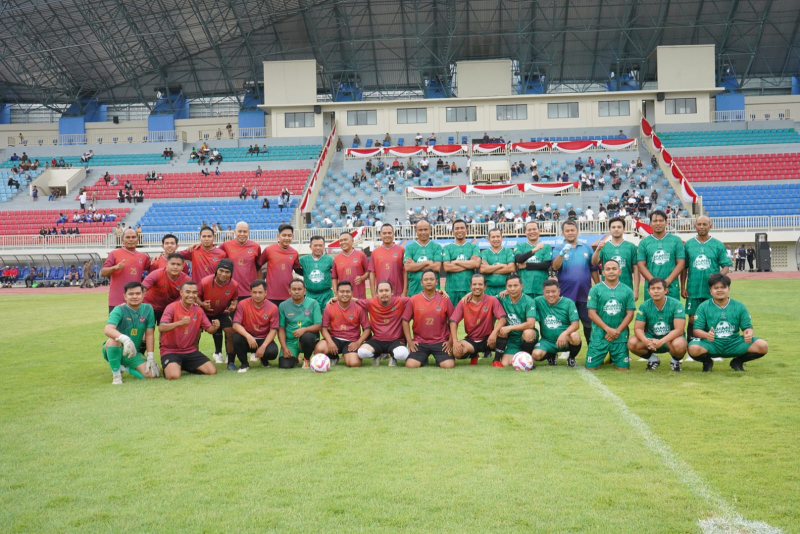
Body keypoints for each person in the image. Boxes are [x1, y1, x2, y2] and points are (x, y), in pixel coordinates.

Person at [687, 274, 769, 372]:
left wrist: (749, 333)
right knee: (693, 348)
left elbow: (747, 327)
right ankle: (707, 362)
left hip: (734, 342)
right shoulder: (703, 307)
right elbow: (696, 330)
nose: (720, 290)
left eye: (723, 287)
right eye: (716, 288)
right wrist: (706, 335)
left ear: (728, 289)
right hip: (712, 343)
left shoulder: (739, 306)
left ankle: (738, 362)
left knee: (762, 346)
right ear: (710, 291)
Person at [680, 216, 731, 339]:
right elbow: (684, 268)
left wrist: (718, 276)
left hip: (712, 289)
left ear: (710, 226)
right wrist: (683, 287)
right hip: (693, 289)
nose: (702, 227)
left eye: (705, 224)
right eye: (699, 224)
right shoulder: (688, 245)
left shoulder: (717, 244)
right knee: (692, 317)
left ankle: (713, 347)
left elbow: (726, 266)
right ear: (695, 226)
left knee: (713, 316)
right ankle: (692, 347)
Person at [552, 220, 598, 353]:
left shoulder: (587, 247)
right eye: (567, 231)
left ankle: (592, 351)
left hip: (585, 293)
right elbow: (555, 267)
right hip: (566, 294)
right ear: (563, 233)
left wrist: (598, 286)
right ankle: (565, 351)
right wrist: (562, 254)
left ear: (577, 231)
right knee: (565, 323)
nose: (570, 233)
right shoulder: (558, 249)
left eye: (572, 230)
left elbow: (593, 268)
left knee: (588, 323)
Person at [158, 282, 220, 380]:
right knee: (174, 376)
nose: (191, 295)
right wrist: (179, 323)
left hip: (190, 350)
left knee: (212, 371)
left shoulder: (198, 310)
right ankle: (172, 366)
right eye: (188, 292)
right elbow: (161, 327)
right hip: (170, 350)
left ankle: (182, 365)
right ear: (181, 293)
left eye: (194, 292)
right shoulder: (171, 307)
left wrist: (215, 327)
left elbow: (209, 329)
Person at [103, 282, 160, 385]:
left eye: (138, 294)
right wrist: (124, 339)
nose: (134, 296)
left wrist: (150, 356)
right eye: (131, 294)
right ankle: (116, 376)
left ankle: (123, 368)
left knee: (152, 374)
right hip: (115, 349)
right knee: (113, 341)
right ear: (125, 296)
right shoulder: (119, 309)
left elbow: (149, 334)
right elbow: (108, 329)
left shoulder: (148, 309)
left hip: (133, 353)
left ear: (143, 295)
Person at [586, 259, 636, 371]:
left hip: (620, 336)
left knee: (623, 369)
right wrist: (608, 329)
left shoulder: (627, 290)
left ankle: (613, 356)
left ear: (620, 271)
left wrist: (616, 331)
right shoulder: (595, 289)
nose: (611, 271)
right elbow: (591, 313)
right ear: (603, 272)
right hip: (599, 336)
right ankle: (605, 355)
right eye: (608, 269)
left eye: (614, 269)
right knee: (591, 368)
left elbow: (630, 314)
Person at [628, 277, 687, 372]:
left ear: (666, 290)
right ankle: (653, 359)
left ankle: (675, 361)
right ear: (648, 291)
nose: (656, 291)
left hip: (670, 340)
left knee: (679, 344)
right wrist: (646, 341)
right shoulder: (644, 306)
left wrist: (661, 342)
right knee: (632, 342)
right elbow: (638, 328)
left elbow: (679, 330)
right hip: (651, 339)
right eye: (653, 288)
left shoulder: (676, 304)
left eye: (659, 288)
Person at [449, 273, 506, 365]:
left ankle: (496, 360)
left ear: (485, 286)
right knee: (457, 353)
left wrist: (494, 333)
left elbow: (502, 319)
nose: (477, 287)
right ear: (470, 286)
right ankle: (473, 355)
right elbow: (453, 322)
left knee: (503, 332)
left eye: (480, 284)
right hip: (472, 341)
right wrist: (455, 341)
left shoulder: (492, 300)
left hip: (489, 339)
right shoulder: (464, 302)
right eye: (474, 284)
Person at [402, 270, 455, 368]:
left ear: (436, 282)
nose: (429, 281)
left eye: (432, 279)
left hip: (440, 341)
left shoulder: (444, 299)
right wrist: (410, 341)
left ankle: (439, 359)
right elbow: (405, 320)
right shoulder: (414, 299)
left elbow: (453, 321)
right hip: (420, 342)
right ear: (421, 282)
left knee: (449, 365)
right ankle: (423, 358)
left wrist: (450, 341)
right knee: (410, 365)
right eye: (426, 279)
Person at [355, 281, 412, 366]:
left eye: (386, 290)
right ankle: (376, 355)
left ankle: (393, 356)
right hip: (377, 340)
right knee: (361, 352)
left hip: (396, 340)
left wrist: (437, 293)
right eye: (381, 291)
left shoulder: (401, 301)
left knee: (403, 354)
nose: (384, 293)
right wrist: (337, 298)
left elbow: (416, 300)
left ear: (392, 292)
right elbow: (355, 300)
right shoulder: (371, 303)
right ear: (377, 293)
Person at [316, 281, 371, 367]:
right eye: (342, 292)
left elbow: (367, 328)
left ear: (352, 293)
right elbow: (324, 328)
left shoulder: (359, 308)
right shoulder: (329, 307)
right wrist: (330, 342)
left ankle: (347, 355)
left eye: (348, 291)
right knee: (319, 349)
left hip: (351, 340)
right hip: (334, 338)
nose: (345, 294)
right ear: (336, 293)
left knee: (354, 363)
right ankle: (333, 356)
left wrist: (358, 342)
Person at [197, 259, 239, 366]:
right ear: (216, 270)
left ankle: (230, 360)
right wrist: (202, 304)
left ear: (231, 273)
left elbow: (235, 298)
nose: (223, 274)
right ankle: (194, 357)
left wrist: (233, 304)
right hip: (204, 313)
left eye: (227, 272)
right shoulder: (205, 281)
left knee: (230, 332)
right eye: (221, 270)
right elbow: (196, 296)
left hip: (221, 312)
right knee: (196, 333)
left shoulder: (234, 285)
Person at [231, 280, 280, 372]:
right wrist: (248, 336)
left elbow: (273, 330)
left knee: (272, 353)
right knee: (236, 338)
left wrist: (264, 346)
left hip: (263, 339)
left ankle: (264, 360)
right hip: (247, 338)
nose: (257, 295)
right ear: (250, 292)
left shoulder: (273, 307)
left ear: (266, 292)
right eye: (254, 292)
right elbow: (236, 325)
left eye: (260, 292)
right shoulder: (242, 304)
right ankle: (244, 364)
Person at [637, 210, 686, 301]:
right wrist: (655, 283)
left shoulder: (676, 240)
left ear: (666, 223)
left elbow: (681, 263)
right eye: (655, 221)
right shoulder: (644, 242)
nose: (658, 223)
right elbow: (641, 265)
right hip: (652, 287)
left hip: (671, 287)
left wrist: (668, 281)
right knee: (651, 313)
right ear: (650, 223)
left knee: (673, 313)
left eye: (661, 220)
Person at [531, 280, 582, 366]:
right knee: (536, 355)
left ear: (559, 291)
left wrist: (564, 333)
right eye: (547, 292)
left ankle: (571, 358)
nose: (550, 295)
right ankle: (551, 355)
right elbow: (524, 300)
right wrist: (508, 292)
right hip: (547, 341)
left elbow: (576, 325)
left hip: (565, 339)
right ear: (543, 292)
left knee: (575, 336)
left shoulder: (568, 302)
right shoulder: (538, 301)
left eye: (553, 291)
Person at [100, 228, 152, 312]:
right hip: (117, 301)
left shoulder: (143, 257)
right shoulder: (114, 253)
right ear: (122, 239)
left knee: (137, 325)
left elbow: (154, 271)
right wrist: (114, 267)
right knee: (115, 325)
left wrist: (160, 256)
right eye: (128, 237)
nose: (131, 239)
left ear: (138, 239)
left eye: (133, 237)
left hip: (136, 301)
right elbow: (102, 273)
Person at [492, 274, 538, 368]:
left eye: (515, 286)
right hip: (511, 338)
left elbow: (531, 324)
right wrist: (469, 294)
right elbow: (487, 300)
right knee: (506, 363)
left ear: (521, 286)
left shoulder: (529, 301)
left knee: (528, 333)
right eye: (509, 286)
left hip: (525, 335)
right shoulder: (502, 297)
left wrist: (510, 327)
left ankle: (527, 358)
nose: (512, 289)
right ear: (506, 287)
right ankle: (508, 355)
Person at [592, 216, 639, 300]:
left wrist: (636, 290)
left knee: (628, 312)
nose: (616, 229)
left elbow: (636, 269)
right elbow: (594, 262)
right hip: (606, 289)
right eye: (613, 227)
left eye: (619, 227)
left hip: (626, 288)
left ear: (624, 229)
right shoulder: (604, 246)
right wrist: (597, 250)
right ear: (609, 229)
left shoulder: (631, 247)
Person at [278, 280, 322, 369]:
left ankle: (306, 359)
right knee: (285, 365)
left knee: (308, 337)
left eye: (299, 289)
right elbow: (281, 328)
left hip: (307, 340)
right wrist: (284, 347)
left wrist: (304, 330)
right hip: (290, 342)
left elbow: (319, 325)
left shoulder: (313, 303)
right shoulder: (283, 305)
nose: (297, 291)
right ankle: (294, 357)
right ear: (289, 291)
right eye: (294, 289)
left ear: (304, 290)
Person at [259, 223, 301, 306]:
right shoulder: (269, 250)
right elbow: (258, 265)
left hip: (288, 295)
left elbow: (298, 269)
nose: (286, 238)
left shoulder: (294, 253)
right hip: (271, 295)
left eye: (289, 236)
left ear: (292, 237)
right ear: (278, 236)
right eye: (284, 235)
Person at [142, 253, 191, 324]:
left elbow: (183, 297)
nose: (175, 267)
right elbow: (142, 289)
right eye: (173, 264)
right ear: (167, 264)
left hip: (169, 308)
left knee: (167, 332)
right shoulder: (156, 274)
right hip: (149, 305)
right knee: (145, 331)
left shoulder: (186, 279)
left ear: (182, 266)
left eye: (178, 264)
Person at [442, 219, 481, 304]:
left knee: (471, 316)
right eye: (457, 228)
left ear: (467, 229)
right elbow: (446, 267)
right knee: (451, 316)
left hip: (469, 288)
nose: (459, 230)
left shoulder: (473, 247)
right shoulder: (447, 248)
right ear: (452, 231)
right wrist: (468, 263)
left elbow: (476, 264)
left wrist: (455, 262)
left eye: (462, 228)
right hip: (451, 289)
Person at [220, 222, 262, 300]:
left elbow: (259, 266)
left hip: (250, 290)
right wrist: (198, 245)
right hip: (231, 290)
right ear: (235, 232)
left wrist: (260, 284)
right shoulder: (226, 245)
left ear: (248, 232)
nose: (242, 234)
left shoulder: (255, 246)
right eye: (239, 231)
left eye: (245, 231)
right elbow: (213, 252)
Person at [513, 221, 553, 300]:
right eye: (529, 230)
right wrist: (534, 250)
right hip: (524, 288)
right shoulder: (520, 246)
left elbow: (546, 265)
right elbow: (519, 259)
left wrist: (526, 265)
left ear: (539, 231)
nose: (532, 232)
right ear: (525, 232)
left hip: (541, 288)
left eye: (534, 229)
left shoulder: (546, 247)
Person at [404, 220, 443, 297]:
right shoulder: (409, 248)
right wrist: (427, 262)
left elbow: (437, 267)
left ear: (430, 230)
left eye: (425, 229)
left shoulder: (437, 247)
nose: (423, 232)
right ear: (416, 231)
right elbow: (408, 267)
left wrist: (415, 265)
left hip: (433, 293)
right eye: (420, 230)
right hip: (414, 291)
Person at [369, 224, 407, 297]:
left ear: (393, 234)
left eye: (389, 233)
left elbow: (405, 272)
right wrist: (373, 293)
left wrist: (404, 291)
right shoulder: (375, 252)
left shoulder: (401, 250)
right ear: (380, 235)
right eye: (384, 233)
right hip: (381, 293)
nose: (387, 235)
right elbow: (372, 273)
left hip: (398, 292)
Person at [332, 232, 369, 299]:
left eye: (345, 240)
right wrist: (336, 292)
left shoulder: (361, 255)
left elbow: (368, 271)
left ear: (352, 241)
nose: (343, 242)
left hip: (359, 294)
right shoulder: (336, 258)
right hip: (343, 295)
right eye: (341, 241)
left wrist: (362, 278)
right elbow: (334, 277)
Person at [300, 236, 334, 309]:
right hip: (309, 294)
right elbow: (291, 265)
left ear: (324, 246)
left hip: (326, 295)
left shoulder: (330, 260)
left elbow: (337, 273)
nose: (318, 248)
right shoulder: (303, 259)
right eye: (315, 245)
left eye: (320, 245)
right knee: (309, 318)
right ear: (310, 246)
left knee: (326, 318)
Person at [479, 229, 516, 297]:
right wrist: (502, 265)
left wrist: (490, 268)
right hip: (488, 289)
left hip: (505, 290)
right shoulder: (484, 253)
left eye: (498, 236)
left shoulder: (508, 251)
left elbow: (511, 268)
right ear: (488, 239)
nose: (496, 239)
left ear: (502, 238)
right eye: (493, 237)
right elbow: (483, 269)